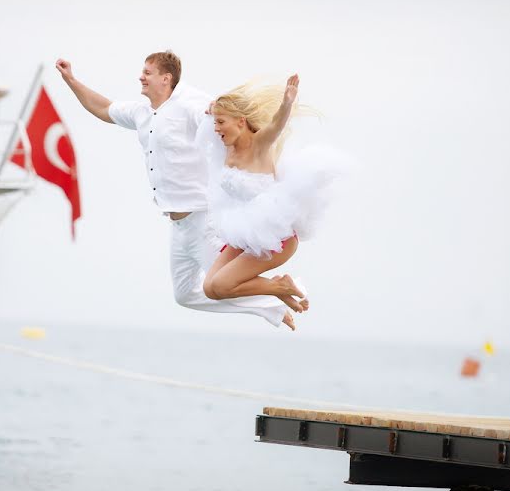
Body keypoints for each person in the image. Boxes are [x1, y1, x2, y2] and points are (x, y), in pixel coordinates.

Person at [55, 52, 302, 330]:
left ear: (166, 78)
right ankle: (272, 303)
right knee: (184, 295)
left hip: (203, 220)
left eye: (147, 72)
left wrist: (220, 114)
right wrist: (71, 81)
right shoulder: (141, 113)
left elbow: (222, 119)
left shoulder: (191, 105)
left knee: (221, 284)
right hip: (177, 223)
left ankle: (275, 299)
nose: (141, 77)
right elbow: (103, 108)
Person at [201, 74, 347, 329]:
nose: (216, 129)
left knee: (222, 285)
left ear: (241, 122)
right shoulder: (227, 146)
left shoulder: (258, 145)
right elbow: (214, 116)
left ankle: (280, 286)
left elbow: (277, 125)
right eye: (216, 123)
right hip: (244, 233)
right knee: (210, 289)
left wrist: (287, 103)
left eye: (221, 123)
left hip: (275, 238)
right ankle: (278, 289)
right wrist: (214, 108)